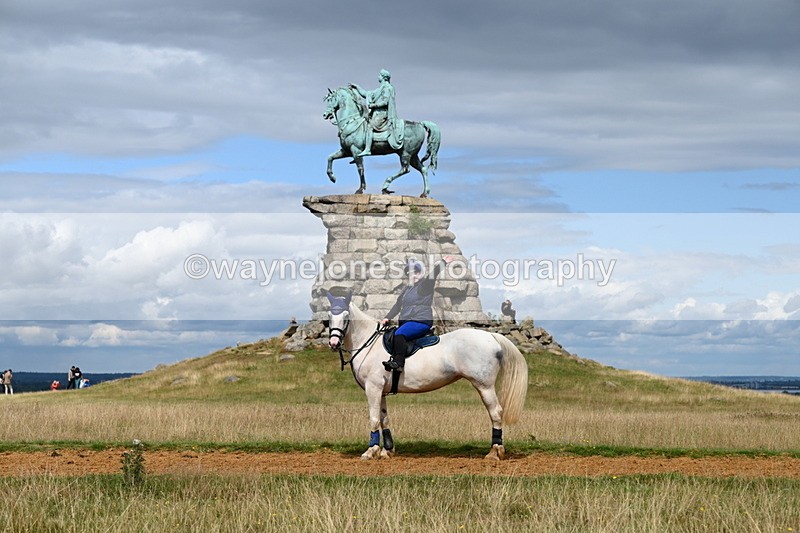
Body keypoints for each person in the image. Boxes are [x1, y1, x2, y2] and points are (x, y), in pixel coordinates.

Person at [380, 256, 454, 372]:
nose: (413, 276)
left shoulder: (425, 286)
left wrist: (443, 263)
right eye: (410, 273)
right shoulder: (406, 290)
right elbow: (397, 306)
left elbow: (432, 275)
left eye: (416, 272)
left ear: (420, 273)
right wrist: (387, 317)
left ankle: (398, 363)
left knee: (399, 333)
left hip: (420, 321)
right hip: (407, 322)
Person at [349, 69, 403, 158]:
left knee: (369, 126)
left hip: (382, 114)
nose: (378, 77)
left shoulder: (387, 88)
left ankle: (367, 149)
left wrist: (374, 105)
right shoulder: (379, 89)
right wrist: (357, 87)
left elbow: (385, 102)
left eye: (380, 75)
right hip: (376, 113)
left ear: (383, 77)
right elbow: (366, 94)